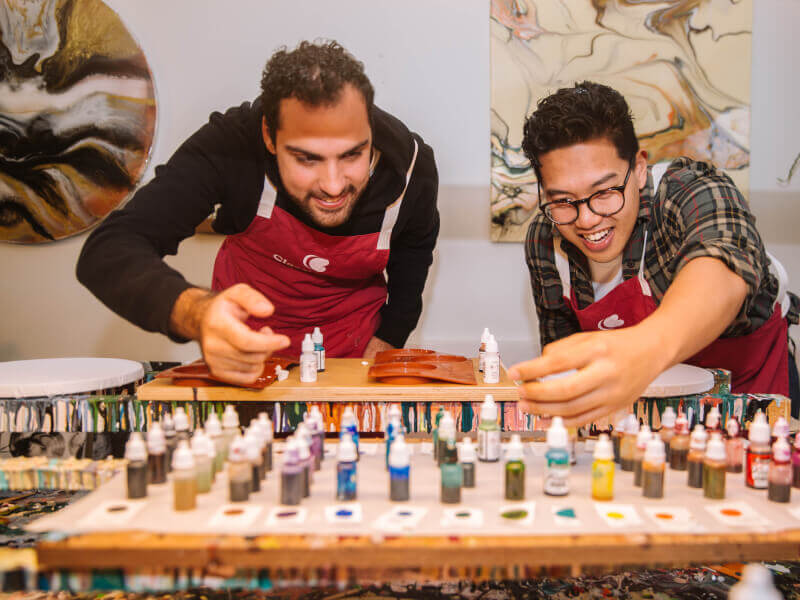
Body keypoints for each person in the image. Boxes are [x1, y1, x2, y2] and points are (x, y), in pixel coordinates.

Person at [77, 41, 439, 385]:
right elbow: (110, 249)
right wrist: (198, 313)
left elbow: (414, 255)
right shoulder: (232, 147)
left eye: (352, 155)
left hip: (354, 352)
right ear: (269, 136)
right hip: (247, 355)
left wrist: (386, 343)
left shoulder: (411, 170)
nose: (332, 186)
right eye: (306, 158)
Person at [508, 82, 799, 426]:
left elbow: (723, 266)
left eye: (604, 191)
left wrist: (647, 348)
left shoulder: (688, 190)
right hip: (638, 412)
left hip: (749, 394)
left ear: (639, 168)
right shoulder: (545, 240)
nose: (586, 220)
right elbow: (569, 362)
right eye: (562, 200)